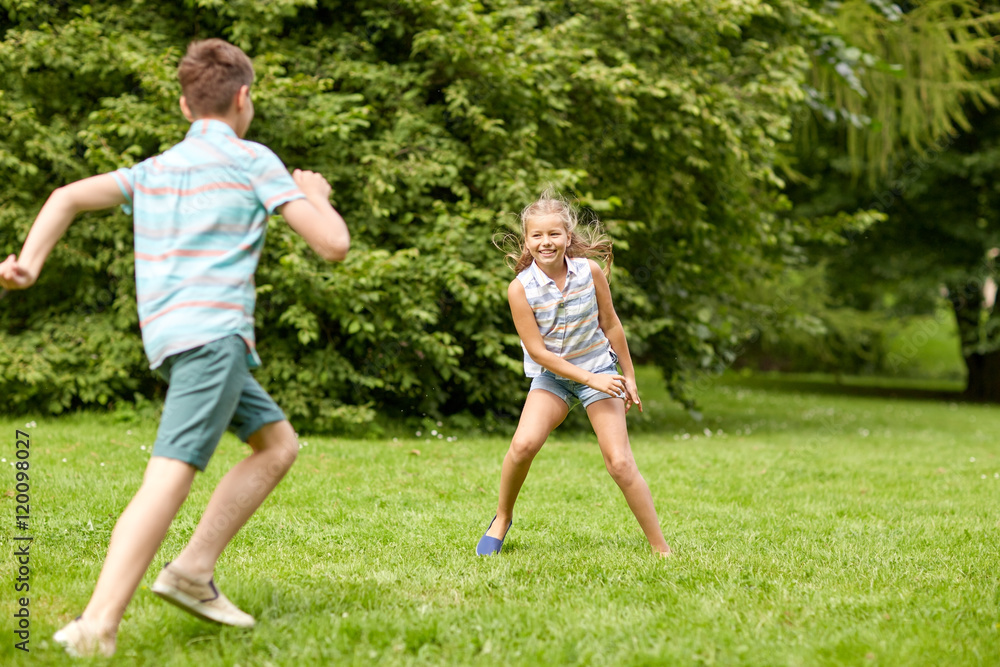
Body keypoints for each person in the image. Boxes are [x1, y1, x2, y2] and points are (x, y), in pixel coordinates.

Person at [0, 38, 350, 657]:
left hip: (175, 341)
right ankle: (96, 624)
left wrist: (29, 264)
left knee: (277, 445)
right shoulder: (251, 159)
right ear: (243, 98)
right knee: (168, 476)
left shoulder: (156, 169)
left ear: (185, 106)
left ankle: (191, 572)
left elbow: (66, 197)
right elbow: (332, 245)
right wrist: (315, 194)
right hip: (214, 339)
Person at [476, 191, 671, 557]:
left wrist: (627, 376)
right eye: (537, 235)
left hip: (598, 367)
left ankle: (662, 549)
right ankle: (502, 518)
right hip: (553, 377)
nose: (545, 242)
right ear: (527, 240)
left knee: (620, 462)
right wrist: (591, 379)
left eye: (554, 234)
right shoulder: (520, 289)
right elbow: (537, 352)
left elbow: (611, 324)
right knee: (523, 446)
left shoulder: (589, 272)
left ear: (568, 236)